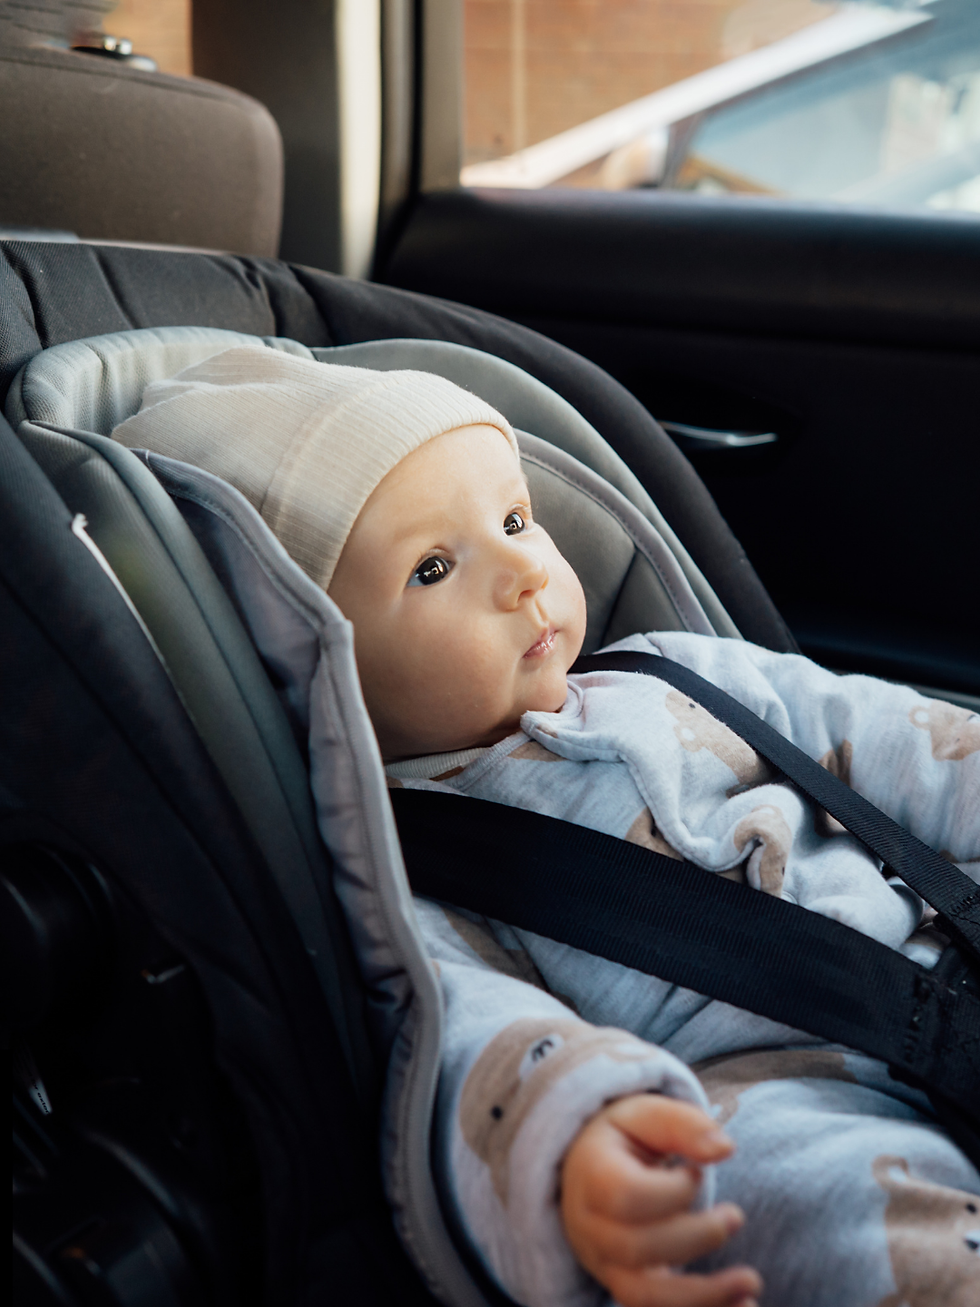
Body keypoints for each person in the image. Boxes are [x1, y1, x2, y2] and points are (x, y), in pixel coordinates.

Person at [114, 348, 980, 1307]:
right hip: (765, 1090)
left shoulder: (665, 668)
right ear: (316, 670)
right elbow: (478, 1037)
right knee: (832, 1223)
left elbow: (885, 735)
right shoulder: (408, 870)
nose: (525, 569)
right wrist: (584, 1140)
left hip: (946, 935)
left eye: (517, 519)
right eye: (433, 567)